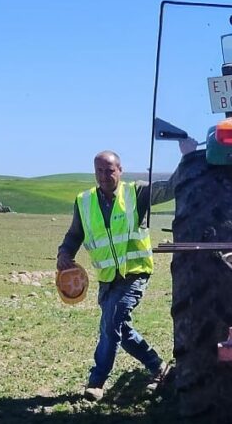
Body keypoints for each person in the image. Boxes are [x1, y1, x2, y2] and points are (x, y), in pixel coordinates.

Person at [57, 149, 180, 401]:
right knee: (119, 328)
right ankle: (158, 366)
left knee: (111, 323)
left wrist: (187, 156)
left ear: (120, 171)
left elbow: (170, 188)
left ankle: (97, 381)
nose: (105, 176)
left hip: (135, 273)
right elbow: (75, 234)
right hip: (107, 278)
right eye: (100, 171)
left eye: (110, 170)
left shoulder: (137, 193)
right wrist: (64, 253)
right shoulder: (84, 202)